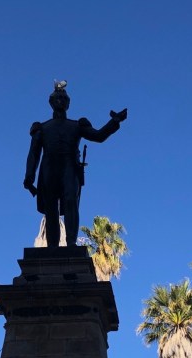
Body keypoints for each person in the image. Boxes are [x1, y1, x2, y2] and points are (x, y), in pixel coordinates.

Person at [24, 81, 127, 248]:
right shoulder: (41, 128)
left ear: (68, 103)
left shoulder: (77, 125)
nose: (61, 100)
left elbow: (98, 136)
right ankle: (52, 247)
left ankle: (71, 242)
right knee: (51, 207)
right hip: (49, 167)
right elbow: (33, 154)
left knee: (71, 201)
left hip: (69, 166)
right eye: (57, 98)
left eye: (64, 98)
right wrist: (29, 176)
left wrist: (114, 122)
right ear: (51, 102)